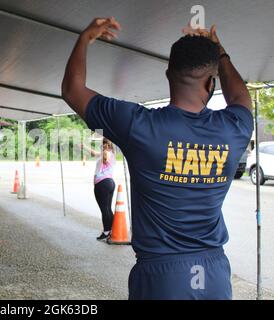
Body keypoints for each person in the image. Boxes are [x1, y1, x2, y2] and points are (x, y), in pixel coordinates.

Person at [62, 18, 253, 300]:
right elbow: (240, 96)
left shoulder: (137, 125)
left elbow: (72, 90)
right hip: (214, 274)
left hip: (162, 278)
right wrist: (219, 51)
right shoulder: (232, 128)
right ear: (212, 83)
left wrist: (85, 37)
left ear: (167, 75)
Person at [82, 138, 116, 241]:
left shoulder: (106, 153)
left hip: (102, 183)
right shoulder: (109, 154)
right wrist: (84, 147)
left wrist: (104, 151)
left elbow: (105, 158)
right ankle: (111, 230)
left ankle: (106, 231)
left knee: (104, 209)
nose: (102, 146)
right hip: (109, 182)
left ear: (107, 145)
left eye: (104, 144)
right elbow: (94, 153)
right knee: (107, 208)